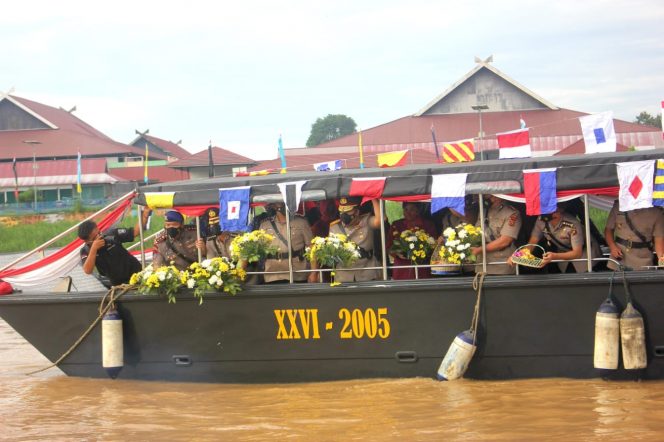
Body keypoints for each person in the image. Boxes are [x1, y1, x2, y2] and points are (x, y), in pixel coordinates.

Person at [511, 204, 601, 273]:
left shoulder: (572, 224)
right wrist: (517, 256)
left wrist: (554, 256)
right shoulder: (541, 221)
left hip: (585, 254)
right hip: (563, 253)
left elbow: (577, 253)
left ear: (559, 211)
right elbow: (532, 243)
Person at [311, 197, 383, 283]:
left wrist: (373, 197)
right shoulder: (334, 227)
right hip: (344, 275)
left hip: (367, 272)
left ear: (356, 212)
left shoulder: (367, 221)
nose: (343, 215)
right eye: (341, 211)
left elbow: (381, 220)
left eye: (347, 211)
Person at [78, 207, 151, 287]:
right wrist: (94, 249)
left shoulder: (111, 234)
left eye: (99, 233)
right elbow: (87, 270)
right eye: (95, 237)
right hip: (118, 284)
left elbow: (135, 232)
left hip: (137, 274)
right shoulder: (85, 251)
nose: (100, 237)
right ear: (87, 241)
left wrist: (145, 215)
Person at [257, 202, 314, 283]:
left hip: (297, 273)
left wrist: (314, 272)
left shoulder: (301, 223)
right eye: (280, 203)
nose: (284, 205)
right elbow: (259, 249)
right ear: (273, 205)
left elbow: (312, 248)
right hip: (273, 273)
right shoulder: (265, 225)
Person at [604, 201, 664, 271]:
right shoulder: (619, 205)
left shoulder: (657, 212)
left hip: (643, 260)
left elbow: (659, 241)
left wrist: (662, 263)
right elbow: (608, 230)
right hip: (620, 257)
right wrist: (612, 246)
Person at [471, 195, 521, 275]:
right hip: (482, 264)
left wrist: (479, 250)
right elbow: (476, 232)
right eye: (488, 196)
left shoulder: (512, 213)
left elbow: (505, 241)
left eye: (493, 195)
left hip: (502, 265)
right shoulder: (483, 211)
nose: (490, 198)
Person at [387, 202, 437, 280]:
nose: (408, 213)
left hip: (422, 267)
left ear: (418, 210)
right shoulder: (396, 224)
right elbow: (389, 246)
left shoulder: (428, 224)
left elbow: (434, 244)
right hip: (402, 267)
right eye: (405, 209)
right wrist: (397, 253)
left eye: (412, 209)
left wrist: (424, 251)